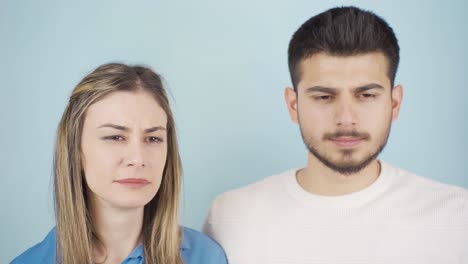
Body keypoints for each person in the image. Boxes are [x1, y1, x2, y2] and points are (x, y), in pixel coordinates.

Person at [203, 6, 468, 264]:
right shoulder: (230, 216)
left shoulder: (457, 217)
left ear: (394, 103)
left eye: (366, 95)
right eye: (324, 97)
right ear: (293, 105)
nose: (345, 118)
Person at [11, 63, 227, 264]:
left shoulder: (206, 256)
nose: (138, 159)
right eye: (115, 137)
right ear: (75, 149)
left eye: (153, 139)